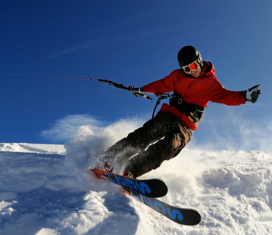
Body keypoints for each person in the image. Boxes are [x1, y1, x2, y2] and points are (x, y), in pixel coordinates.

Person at [99, 45, 261, 178]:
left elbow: (226, 97)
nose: (191, 71)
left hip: (185, 125)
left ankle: (130, 171)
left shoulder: (210, 84)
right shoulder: (177, 76)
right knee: (146, 134)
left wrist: (244, 96)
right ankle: (109, 158)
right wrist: (142, 89)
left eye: (193, 66)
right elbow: (161, 85)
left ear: (200, 61)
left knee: (170, 146)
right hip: (169, 114)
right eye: (186, 69)